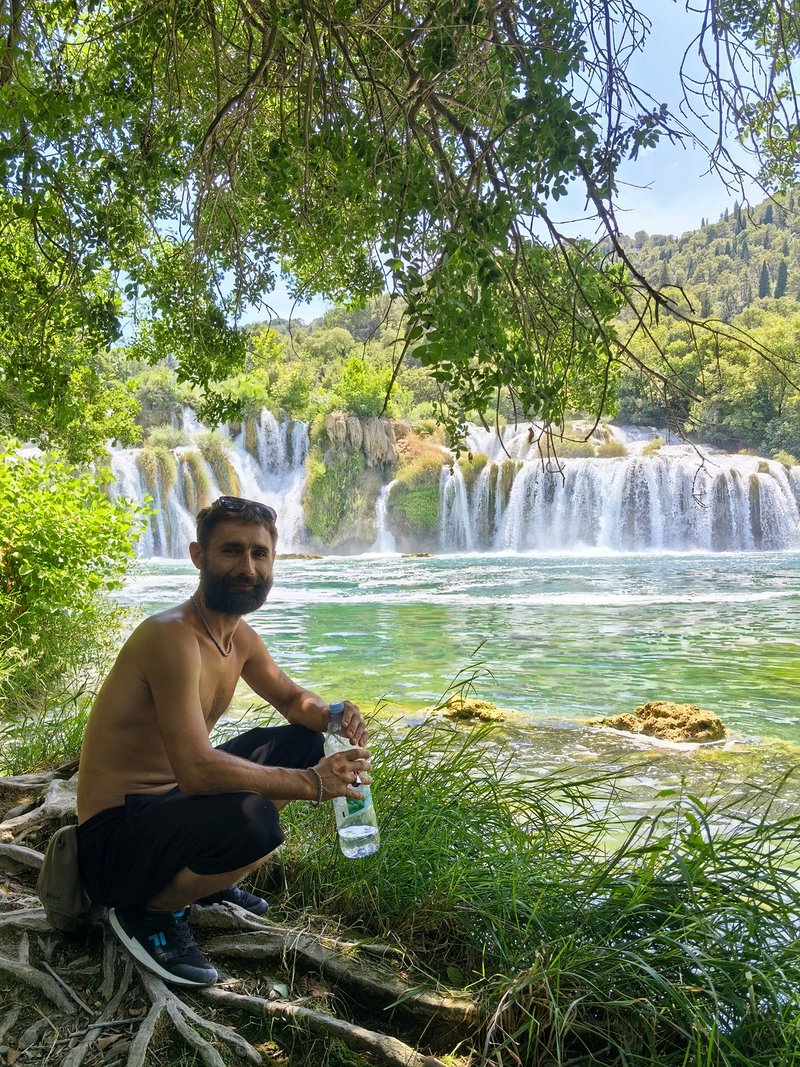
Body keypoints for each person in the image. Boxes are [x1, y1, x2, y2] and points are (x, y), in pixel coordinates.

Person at [76, 495, 371, 988]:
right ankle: (150, 912)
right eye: (231, 551)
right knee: (254, 822)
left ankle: (204, 880)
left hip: (168, 811)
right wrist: (312, 783)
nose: (247, 567)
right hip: (115, 843)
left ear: (273, 561)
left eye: (259, 553)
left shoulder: (239, 638)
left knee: (306, 740)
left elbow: (293, 699)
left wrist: (334, 716)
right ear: (198, 556)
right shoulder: (171, 637)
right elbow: (196, 770)